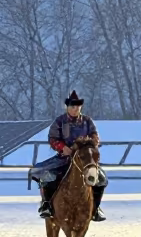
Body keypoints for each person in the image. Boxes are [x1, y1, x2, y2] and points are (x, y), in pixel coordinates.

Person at [29, 91, 107, 221]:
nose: (75, 109)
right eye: (73, 107)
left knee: (102, 180)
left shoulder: (88, 121)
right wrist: (62, 147)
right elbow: (52, 138)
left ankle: (95, 208)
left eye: (78, 107)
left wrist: (88, 144)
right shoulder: (59, 121)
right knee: (47, 176)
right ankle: (47, 205)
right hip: (63, 158)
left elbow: (95, 137)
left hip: (84, 159)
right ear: (67, 107)